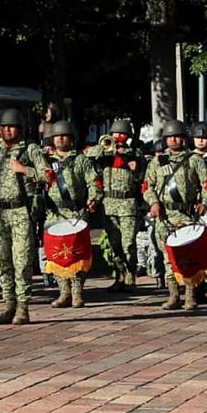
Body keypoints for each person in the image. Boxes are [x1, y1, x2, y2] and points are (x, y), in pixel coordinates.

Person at [0, 108, 48, 325]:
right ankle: (9, 304)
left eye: (11, 126)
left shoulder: (30, 150)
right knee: (2, 260)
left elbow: (47, 175)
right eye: (3, 127)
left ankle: (23, 307)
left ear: (20, 129)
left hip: (21, 211)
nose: (7, 130)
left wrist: (25, 170)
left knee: (22, 260)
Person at [143, 120, 207, 311]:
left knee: (189, 257)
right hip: (164, 216)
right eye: (170, 137)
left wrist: (205, 202)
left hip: (186, 214)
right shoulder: (156, 162)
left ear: (184, 138)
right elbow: (146, 186)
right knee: (169, 258)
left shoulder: (194, 160)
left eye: (177, 136)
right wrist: (153, 202)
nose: (174, 140)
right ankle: (173, 295)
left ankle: (190, 296)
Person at [42, 120, 101, 308]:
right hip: (54, 213)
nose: (60, 138)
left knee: (77, 254)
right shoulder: (46, 162)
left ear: (71, 139)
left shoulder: (81, 160)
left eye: (64, 135)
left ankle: (77, 293)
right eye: (57, 135)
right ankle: (63, 292)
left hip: (76, 212)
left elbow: (94, 183)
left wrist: (93, 199)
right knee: (56, 254)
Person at [88, 119, 144, 293]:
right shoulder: (104, 152)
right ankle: (119, 275)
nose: (118, 137)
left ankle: (130, 276)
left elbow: (142, 178)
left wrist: (135, 168)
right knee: (114, 245)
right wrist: (107, 148)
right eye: (115, 134)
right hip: (109, 205)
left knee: (128, 243)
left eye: (122, 134)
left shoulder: (135, 153)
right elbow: (90, 155)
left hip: (128, 205)